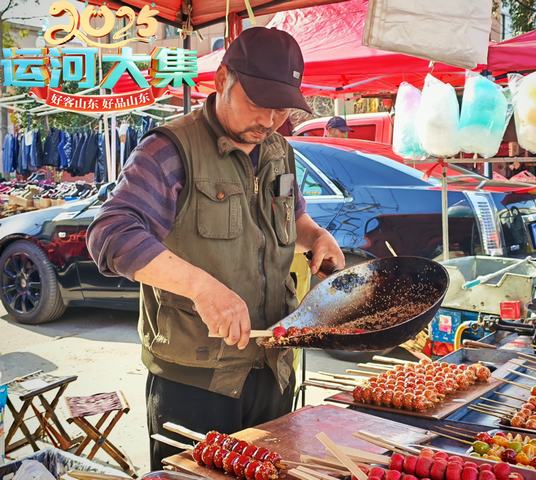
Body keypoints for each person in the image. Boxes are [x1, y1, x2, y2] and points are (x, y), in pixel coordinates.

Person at [86, 27, 345, 470]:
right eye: (259, 103)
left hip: (273, 366)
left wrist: (317, 236)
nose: (270, 120)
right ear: (222, 79)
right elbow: (111, 234)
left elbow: (293, 217)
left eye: (281, 108)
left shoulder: (278, 150)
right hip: (196, 382)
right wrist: (202, 288)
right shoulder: (169, 150)